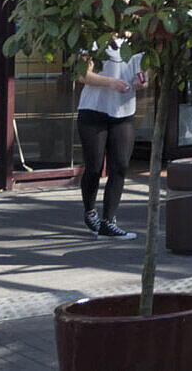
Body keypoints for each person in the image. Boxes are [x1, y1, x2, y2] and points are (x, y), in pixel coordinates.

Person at [74, 44, 144, 238]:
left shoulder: (140, 44)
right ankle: (90, 212)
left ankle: (108, 222)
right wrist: (110, 82)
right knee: (94, 167)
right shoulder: (95, 42)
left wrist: (143, 81)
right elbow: (82, 75)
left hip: (124, 111)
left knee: (120, 166)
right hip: (94, 109)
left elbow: (146, 72)